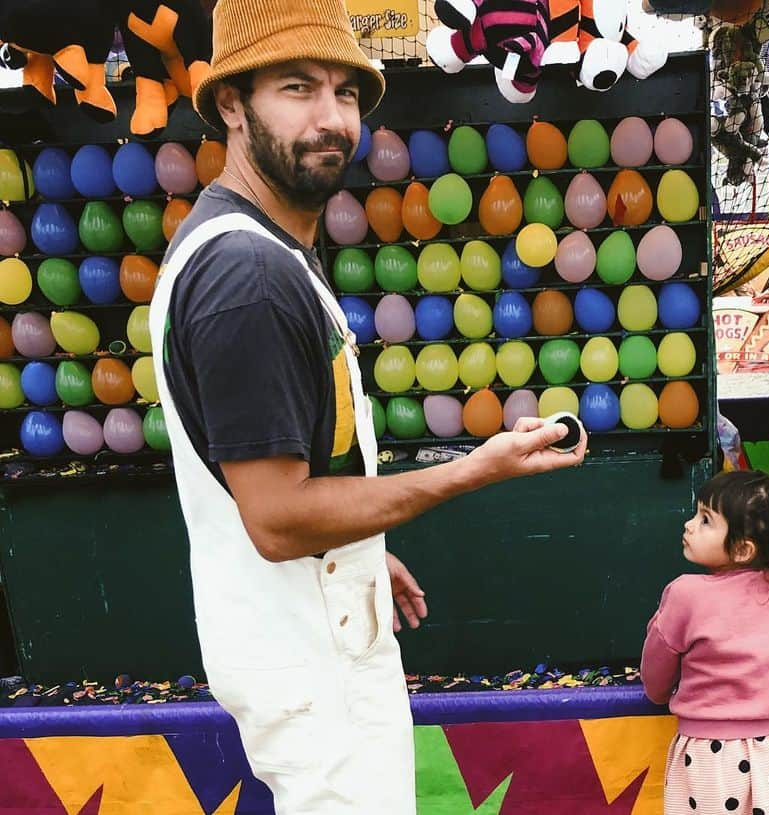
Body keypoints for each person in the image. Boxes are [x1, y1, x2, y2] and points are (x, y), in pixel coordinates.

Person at [148, 1, 587, 812]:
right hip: (316, 676)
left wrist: (351, 551)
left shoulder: (249, 243)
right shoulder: (248, 276)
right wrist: (471, 471)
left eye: (346, 93)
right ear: (232, 104)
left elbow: (266, 478)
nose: (331, 119)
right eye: (296, 88)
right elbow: (277, 516)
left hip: (311, 651)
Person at [640, 462, 769, 815]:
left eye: (705, 521)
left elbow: (657, 670)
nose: (689, 525)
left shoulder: (686, 594)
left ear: (743, 549)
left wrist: (659, 694)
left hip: (706, 753)